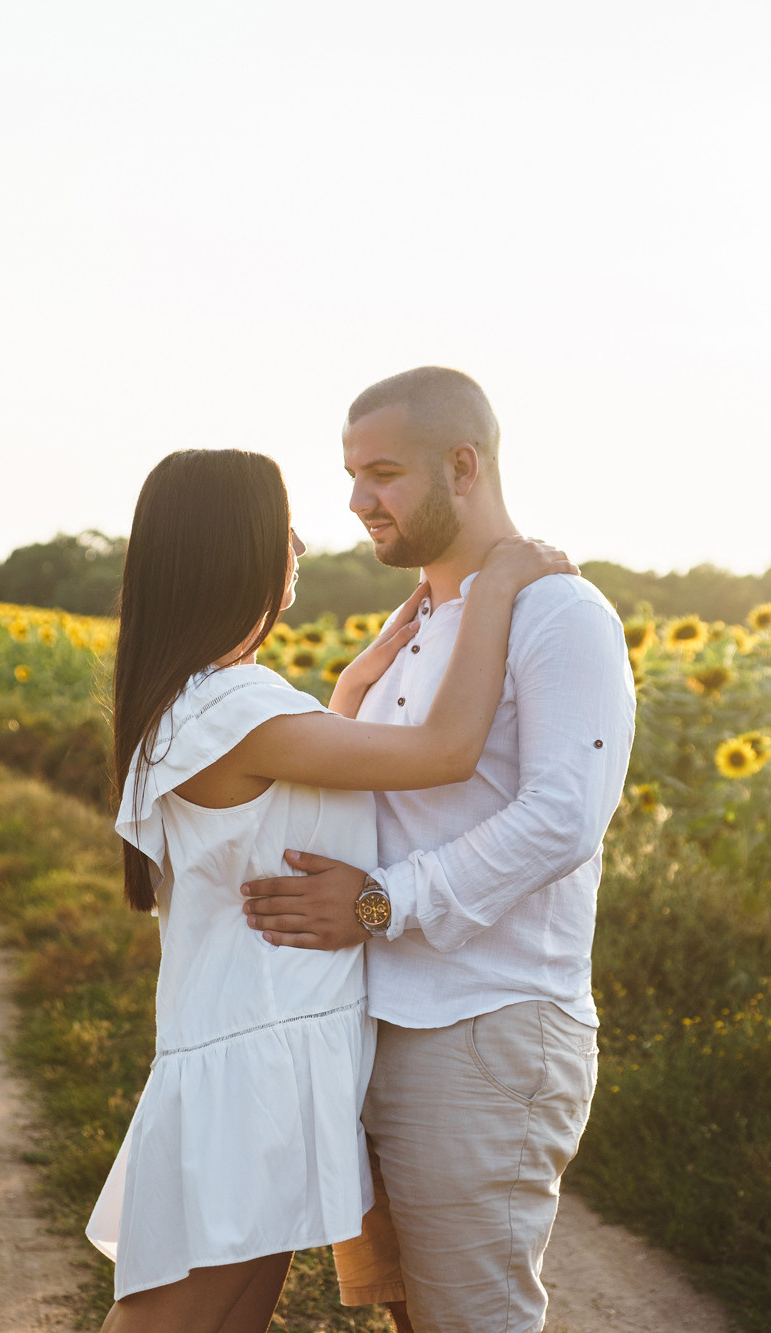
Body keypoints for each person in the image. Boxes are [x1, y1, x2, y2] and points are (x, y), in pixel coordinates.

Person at [87, 446, 576, 1333]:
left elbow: (289, 811)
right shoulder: (233, 710)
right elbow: (446, 752)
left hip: (259, 1051)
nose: (303, 539)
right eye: (280, 528)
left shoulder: (208, 703)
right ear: (230, 550)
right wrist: (495, 592)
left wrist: (349, 688)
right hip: (251, 1065)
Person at [242, 367, 638, 1333]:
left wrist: (379, 902)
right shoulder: (420, 626)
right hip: (387, 1019)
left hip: (486, 1024)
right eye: (349, 473)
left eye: (382, 472)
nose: (356, 500)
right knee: (413, 1314)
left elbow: (562, 817)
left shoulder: (559, 614)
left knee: (476, 1320)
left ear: (464, 466)